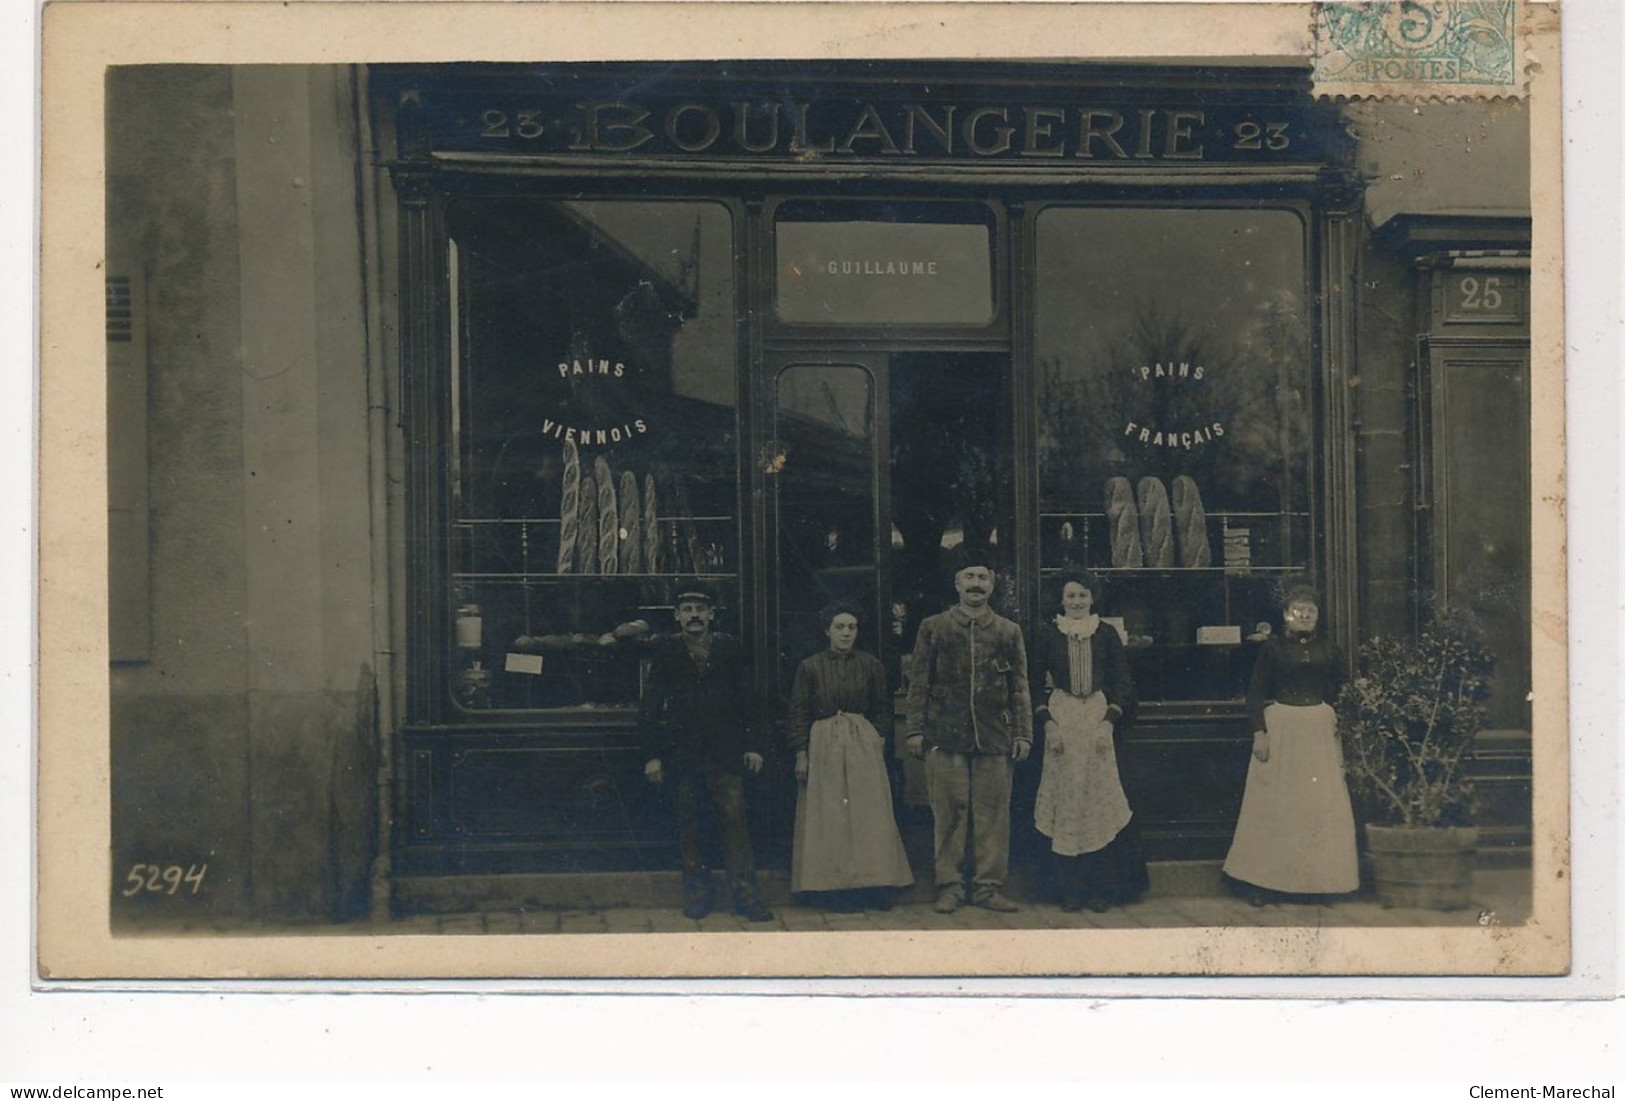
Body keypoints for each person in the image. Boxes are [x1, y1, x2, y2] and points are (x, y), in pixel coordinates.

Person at [904, 546, 1033, 914]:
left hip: (995, 737)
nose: (976, 584)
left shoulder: (1008, 632)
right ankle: (950, 885)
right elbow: (918, 683)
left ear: (993, 584)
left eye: (983, 577)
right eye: (969, 577)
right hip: (945, 736)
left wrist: (1023, 733)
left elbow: (1020, 687)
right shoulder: (935, 627)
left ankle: (988, 887)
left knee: (993, 815)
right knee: (949, 814)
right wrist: (915, 729)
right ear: (956, 583)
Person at [639, 585, 774, 922]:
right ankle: (698, 894)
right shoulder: (668, 650)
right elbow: (651, 705)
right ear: (677, 616)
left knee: (735, 824)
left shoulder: (729, 648)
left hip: (725, 755)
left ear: (712, 614)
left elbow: (750, 701)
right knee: (690, 825)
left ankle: (746, 895)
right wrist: (652, 754)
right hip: (683, 756)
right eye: (687, 609)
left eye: (701, 608)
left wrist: (755, 745)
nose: (694, 616)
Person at [1222, 586, 1359, 904]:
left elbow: (1343, 688)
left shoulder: (1328, 648)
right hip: (1284, 728)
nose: (1305, 616)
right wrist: (1259, 732)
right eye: (1299, 610)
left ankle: (1320, 883)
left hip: (1319, 730)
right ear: (1286, 616)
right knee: (1277, 806)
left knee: (1317, 805)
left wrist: (1349, 724)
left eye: (1311, 611)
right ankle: (1263, 883)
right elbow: (1255, 693)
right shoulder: (1273, 649)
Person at [1029, 572, 1149, 912]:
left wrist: (1109, 721)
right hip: (1063, 719)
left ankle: (1102, 888)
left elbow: (1123, 682)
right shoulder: (1048, 634)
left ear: (1092, 599)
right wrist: (1047, 723)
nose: (1077, 601)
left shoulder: (1106, 634)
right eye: (1071, 596)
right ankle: (1068, 889)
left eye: (1083, 595)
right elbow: (1033, 684)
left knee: (1098, 801)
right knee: (1066, 801)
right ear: (1062, 600)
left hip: (1096, 722)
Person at [787, 601, 914, 912]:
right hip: (823, 743)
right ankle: (829, 888)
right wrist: (801, 753)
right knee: (829, 815)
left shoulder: (870, 665)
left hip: (861, 743)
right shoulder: (810, 666)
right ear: (827, 631)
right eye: (840, 627)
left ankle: (871, 886)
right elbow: (798, 712)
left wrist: (877, 738)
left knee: (867, 814)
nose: (846, 633)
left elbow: (883, 708)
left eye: (852, 627)